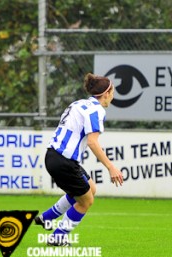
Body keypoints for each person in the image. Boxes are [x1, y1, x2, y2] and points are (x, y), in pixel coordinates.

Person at [34, 73, 124, 246]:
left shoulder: (78, 103)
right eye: (112, 93)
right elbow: (92, 142)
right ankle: (57, 237)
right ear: (106, 93)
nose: (112, 97)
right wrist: (111, 167)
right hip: (63, 161)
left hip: (54, 155)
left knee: (90, 188)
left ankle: (47, 218)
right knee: (86, 200)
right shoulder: (97, 110)